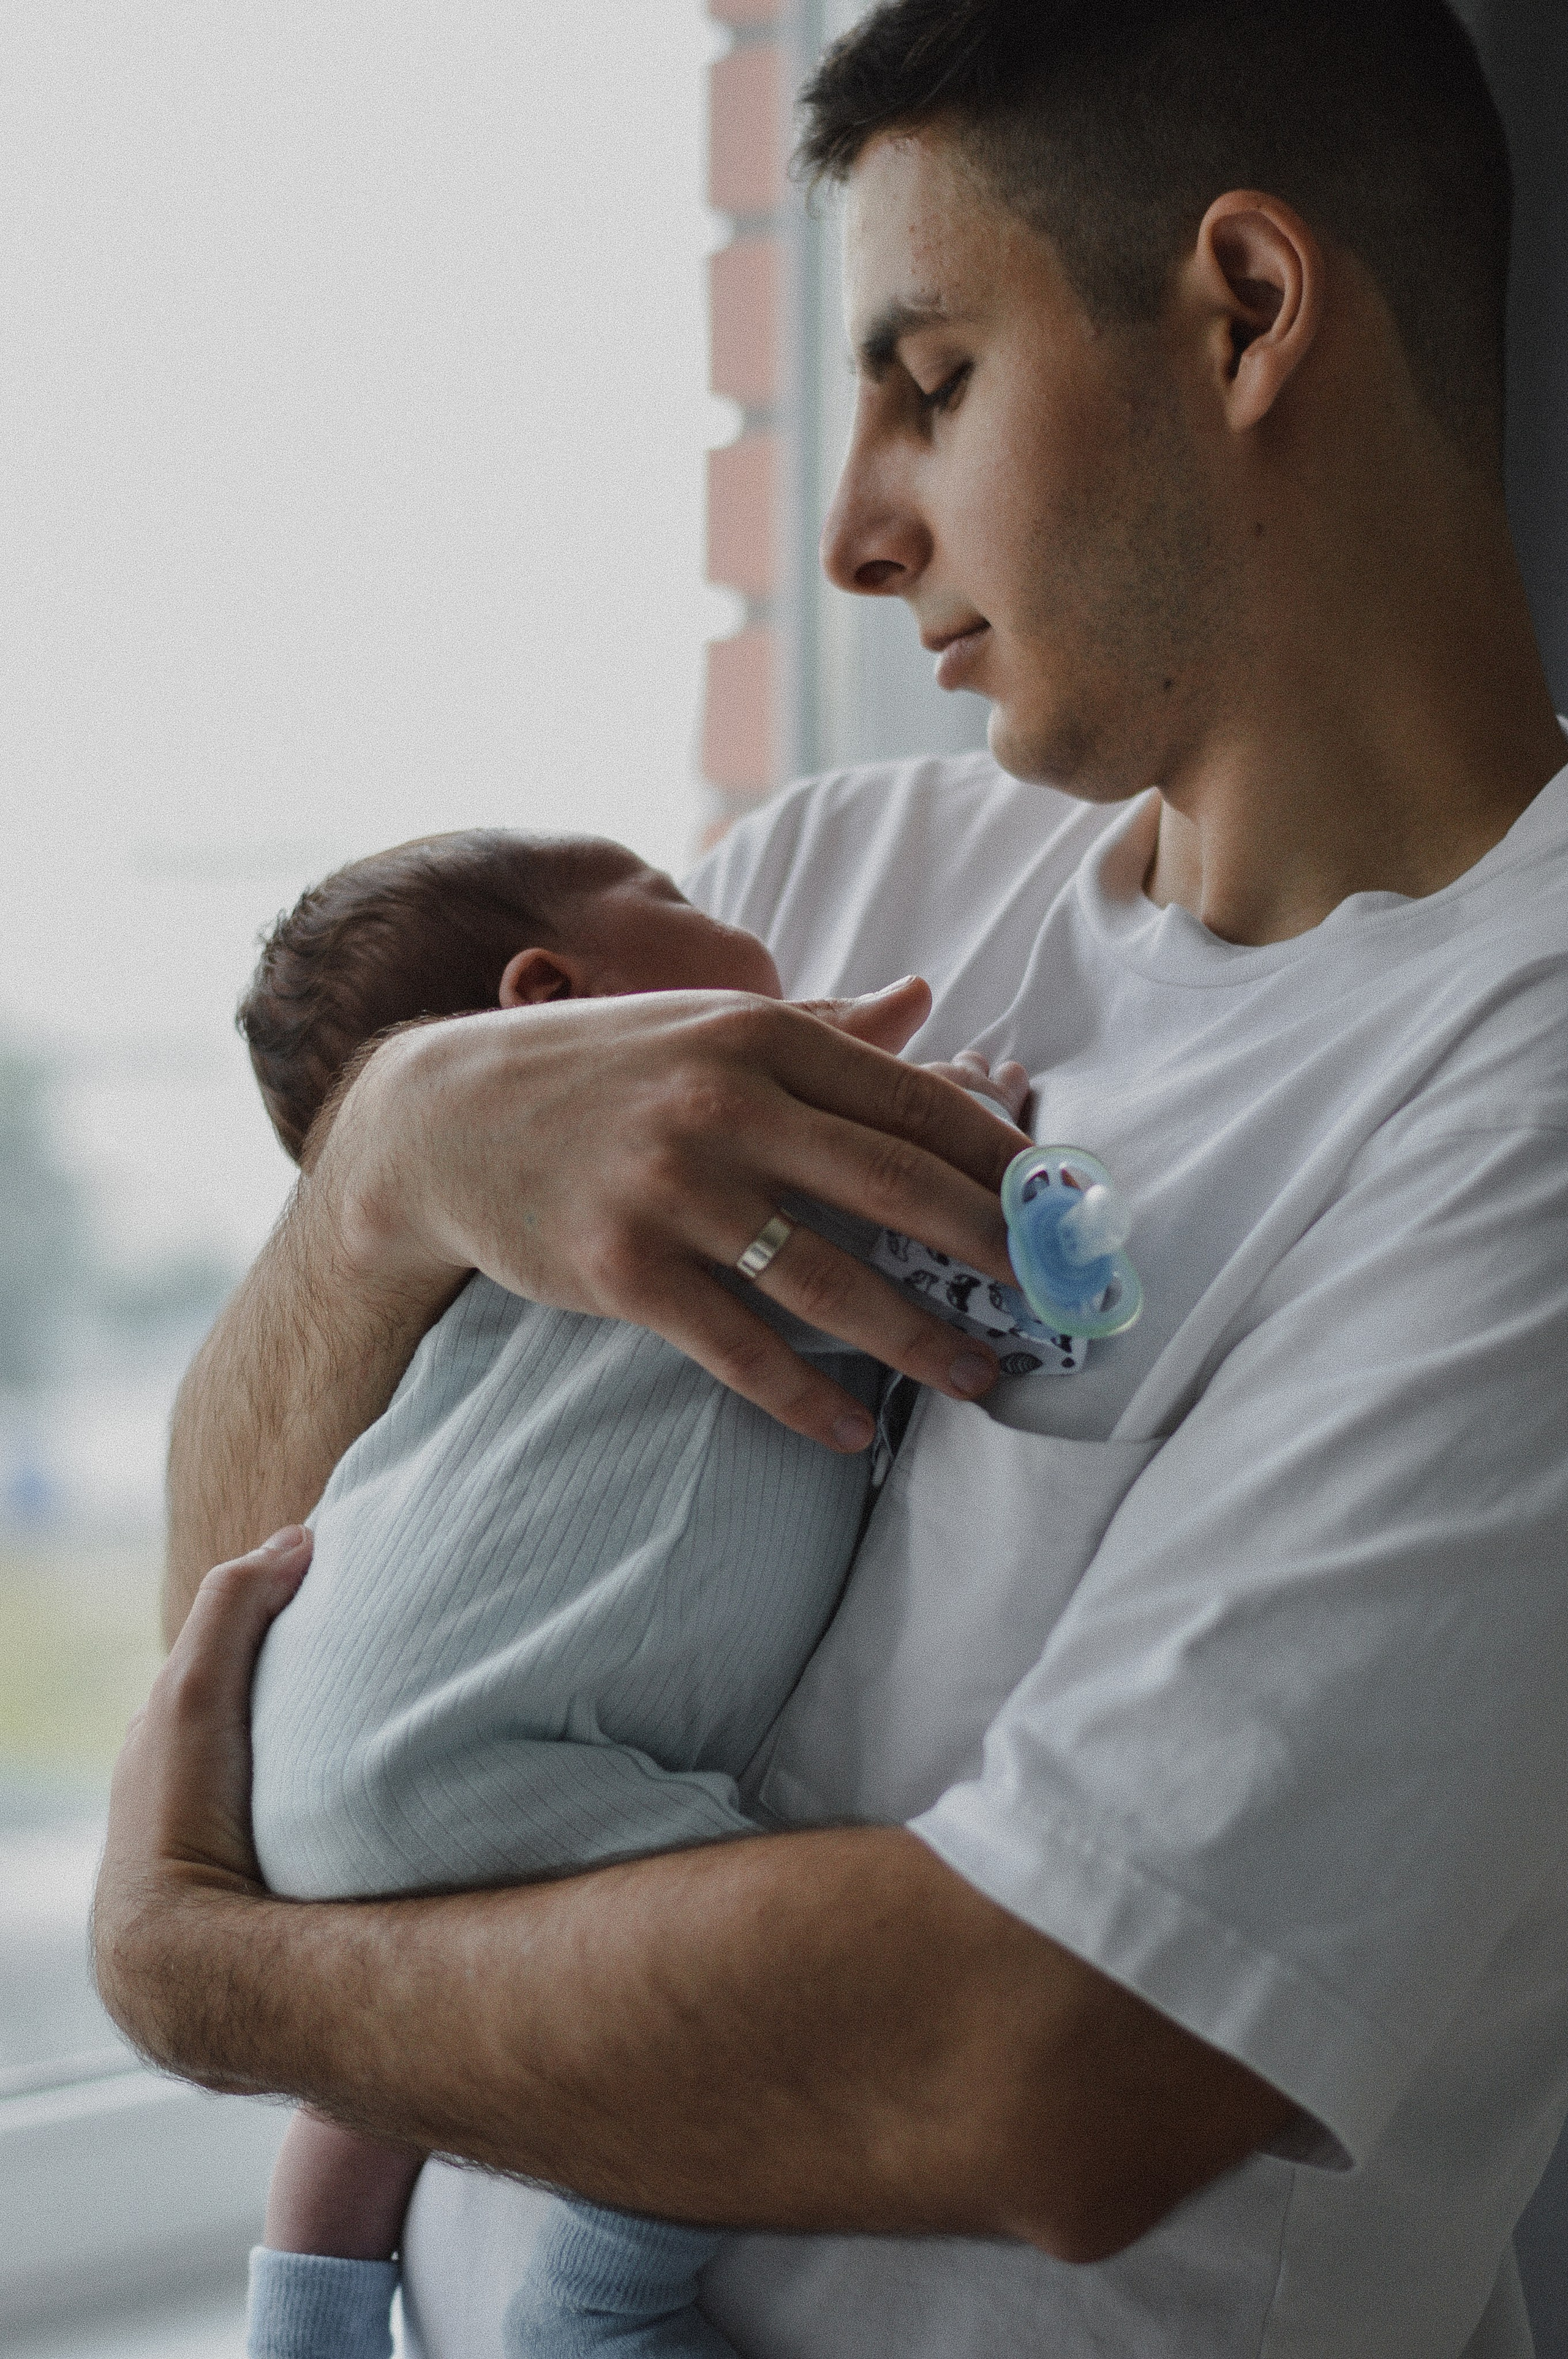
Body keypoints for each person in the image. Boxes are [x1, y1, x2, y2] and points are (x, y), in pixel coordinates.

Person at [93, 2, 1568, 2353]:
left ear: (1247, 313)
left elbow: (1041, 2065)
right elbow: (284, 1646)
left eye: (933, 383)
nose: (854, 534)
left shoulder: (1518, 1090)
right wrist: (383, 1174)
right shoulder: (818, 891)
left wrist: (208, 1971)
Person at [232, 826, 1044, 2359]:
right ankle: (599, 2303)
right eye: (668, 899)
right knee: (735, 1991)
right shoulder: (698, 1167)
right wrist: (963, 1115)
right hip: (478, 1760)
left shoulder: (462, 1276)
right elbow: (930, 1221)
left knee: (372, 2083)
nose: (722, 910)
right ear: (550, 993)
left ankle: (301, 2323)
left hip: (312, 1755)